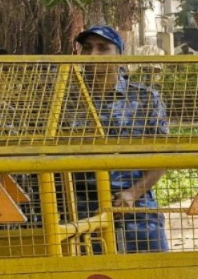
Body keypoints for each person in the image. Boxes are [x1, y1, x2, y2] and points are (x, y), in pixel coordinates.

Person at [70, 25, 171, 254]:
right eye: (87, 48)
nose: (93, 54)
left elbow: (163, 155)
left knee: (154, 276)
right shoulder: (65, 99)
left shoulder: (145, 97)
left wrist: (133, 193)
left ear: (120, 56)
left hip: (136, 205)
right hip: (82, 210)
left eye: (103, 48)